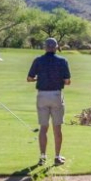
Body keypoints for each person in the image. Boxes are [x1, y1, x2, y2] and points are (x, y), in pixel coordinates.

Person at [27, 37, 71, 166]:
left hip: (42, 95)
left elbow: (29, 78)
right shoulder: (62, 61)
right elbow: (67, 81)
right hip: (56, 95)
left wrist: (38, 79)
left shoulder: (38, 60)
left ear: (45, 47)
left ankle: (42, 157)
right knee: (57, 128)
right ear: (56, 47)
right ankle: (57, 157)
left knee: (43, 128)